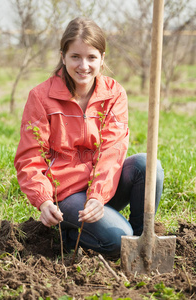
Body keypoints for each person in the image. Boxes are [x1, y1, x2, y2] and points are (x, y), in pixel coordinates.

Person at [14, 17, 164, 257]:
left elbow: (112, 150)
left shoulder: (114, 94)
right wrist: (43, 200)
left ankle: (139, 243)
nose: (83, 65)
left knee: (148, 166)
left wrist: (97, 195)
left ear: (102, 59)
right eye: (75, 56)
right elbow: (30, 158)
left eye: (91, 57)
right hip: (67, 195)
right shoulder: (41, 98)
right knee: (118, 240)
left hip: (103, 189)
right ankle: (71, 233)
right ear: (63, 56)